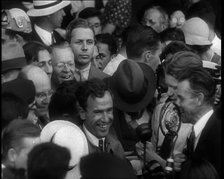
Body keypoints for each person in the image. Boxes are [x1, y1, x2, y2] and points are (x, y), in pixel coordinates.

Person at [135, 51, 203, 172]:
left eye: (175, 87)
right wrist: (145, 151)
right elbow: (151, 151)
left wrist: (158, 160)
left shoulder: (205, 123)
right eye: (167, 86)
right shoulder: (160, 109)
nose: (169, 93)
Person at [174, 67, 221, 177]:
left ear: (199, 99)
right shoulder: (197, 132)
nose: (176, 103)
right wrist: (183, 167)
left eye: (181, 98)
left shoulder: (217, 135)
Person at [75, 78, 126, 160]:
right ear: (82, 113)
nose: (105, 119)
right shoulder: (74, 148)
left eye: (109, 110)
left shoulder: (115, 144)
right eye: (98, 112)